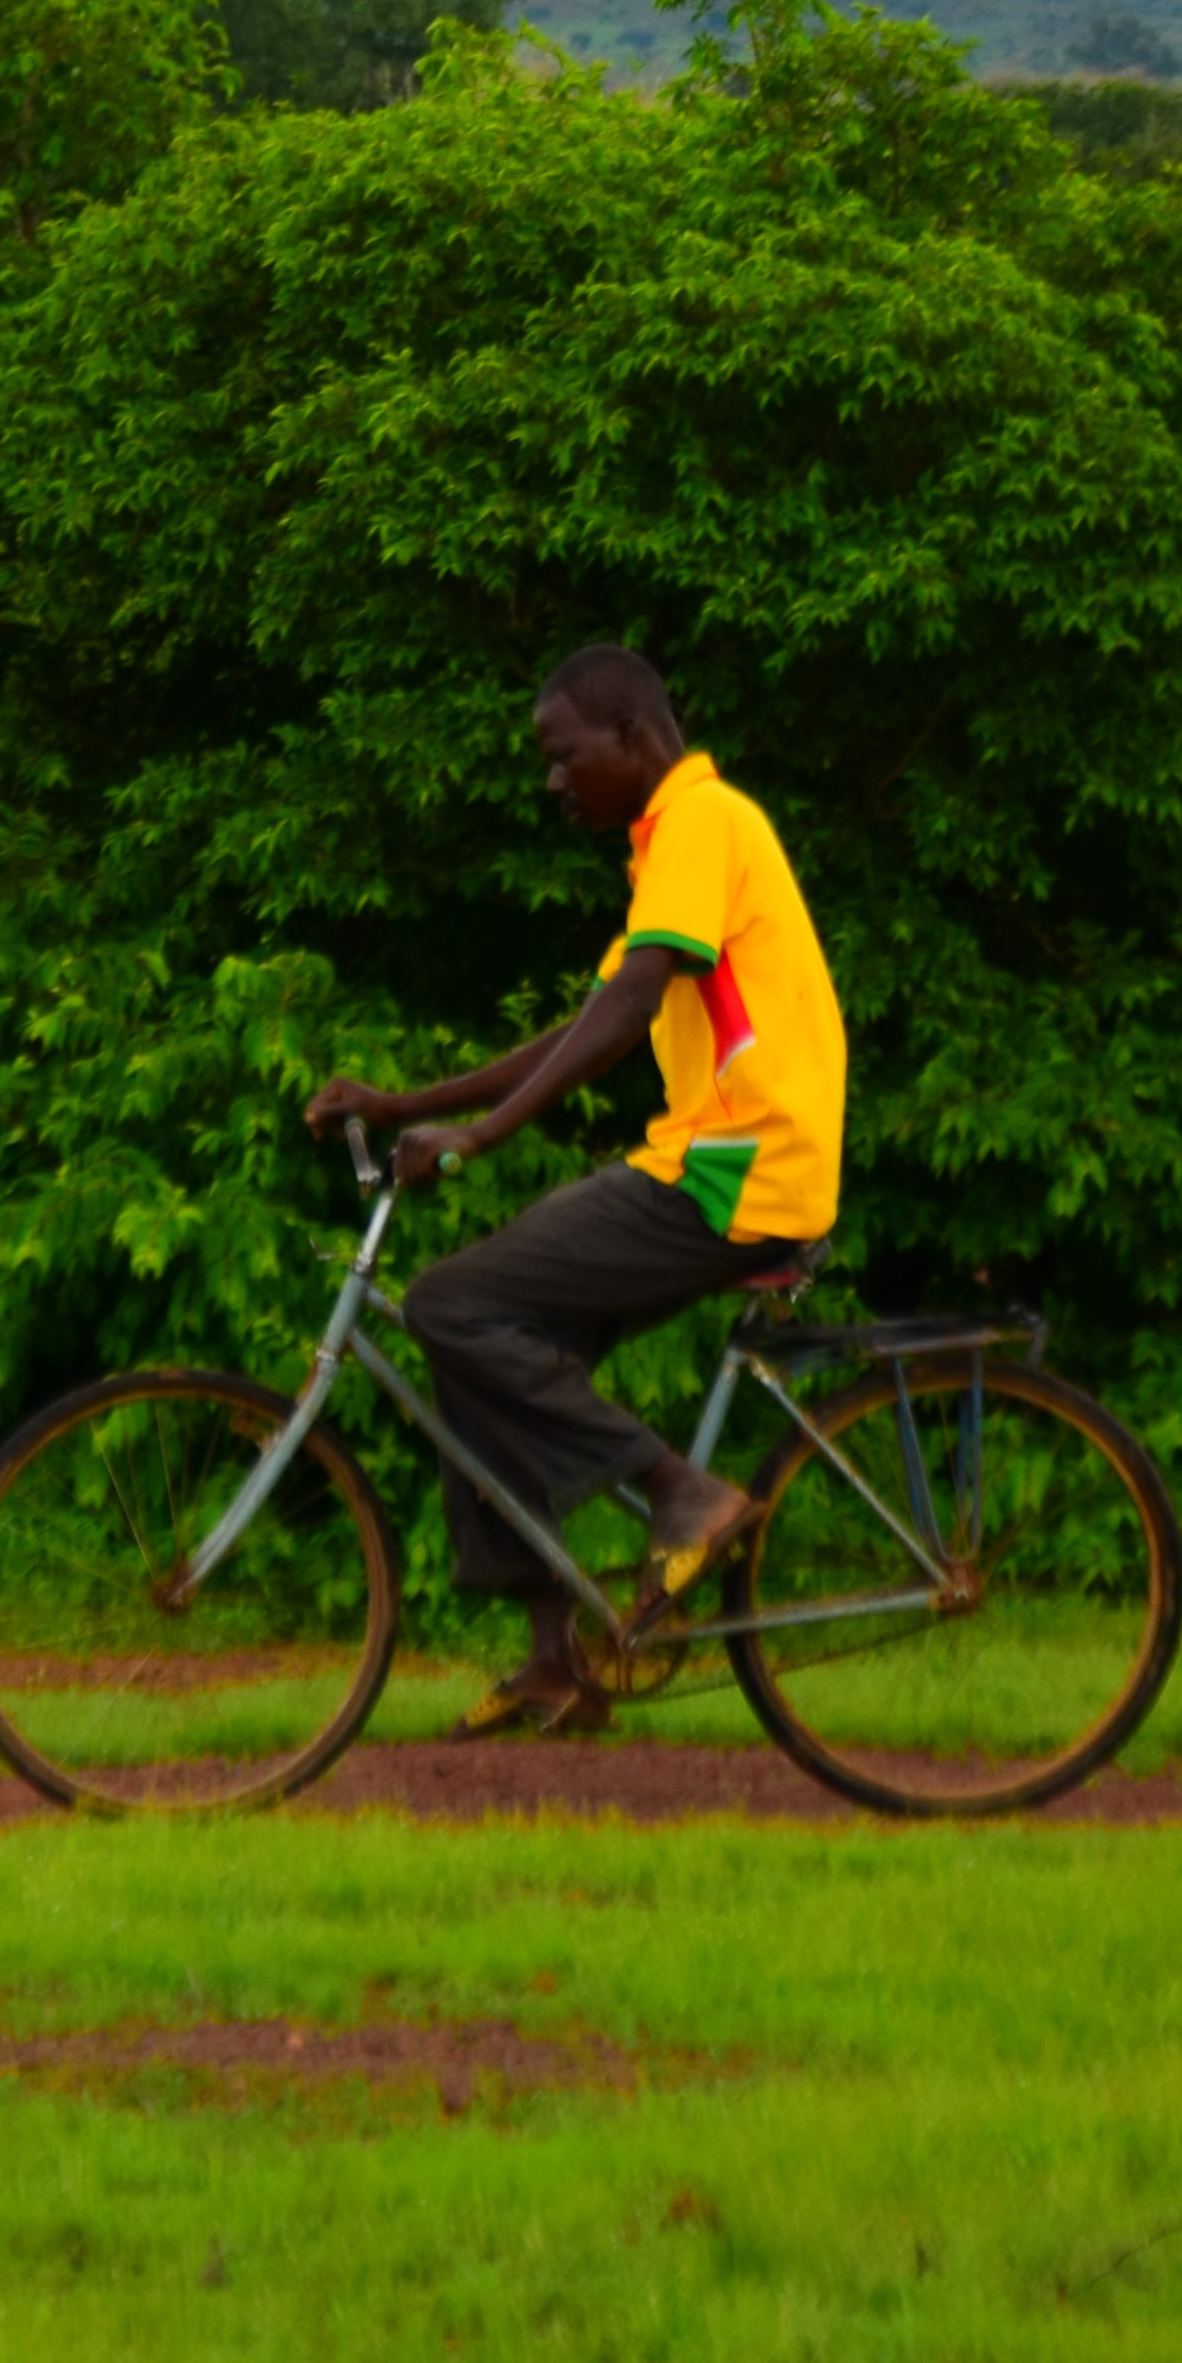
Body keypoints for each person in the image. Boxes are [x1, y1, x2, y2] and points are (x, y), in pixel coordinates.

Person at [300, 643, 850, 1740]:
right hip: (717, 1164)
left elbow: (631, 1001)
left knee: (454, 1303)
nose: (554, 781)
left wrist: (484, 1137)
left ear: (632, 736)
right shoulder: (672, 845)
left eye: (564, 755)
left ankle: (680, 1493)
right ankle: (555, 1665)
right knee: (477, 1344)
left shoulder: (704, 822)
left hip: (734, 1171)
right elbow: (592, 1015)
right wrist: (411, 1104)